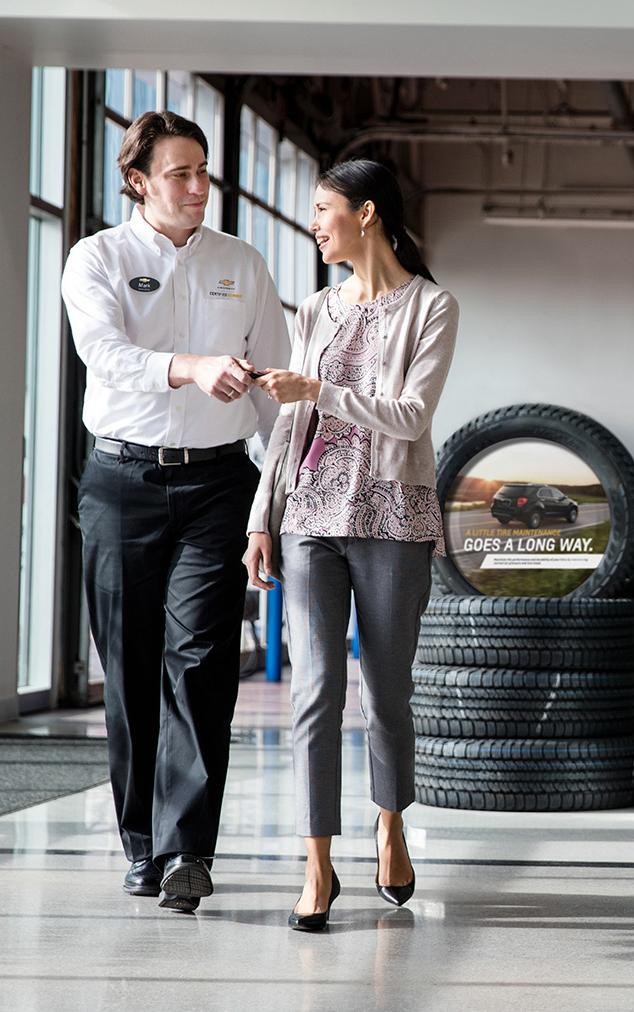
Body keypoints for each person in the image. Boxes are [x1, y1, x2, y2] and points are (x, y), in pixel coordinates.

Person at [61, 110, 289, 912]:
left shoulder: (243, 263)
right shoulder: (98, 259)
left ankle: (186, 849)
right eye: (180, 174)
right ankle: (140, 844)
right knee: (128, 667)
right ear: (138, 181)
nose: (198, 188)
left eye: (204, 172)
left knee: (200, 664)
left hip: (219, 487)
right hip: (121, 481)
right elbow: (106, 356)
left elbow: (276, 397)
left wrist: (278, 498)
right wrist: (190, 367)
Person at [243, 158, 459, 931]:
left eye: (324, 209)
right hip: (309, 519)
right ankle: (317, 865)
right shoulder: (316, 312)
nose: (315, 222)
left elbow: (408, 416)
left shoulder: (432, 308)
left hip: (394, 518)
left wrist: (319, 391)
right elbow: (290, 428)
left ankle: (390, 823)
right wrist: (260, 520)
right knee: (315, 694)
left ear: (366, 214)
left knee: (388, 693)